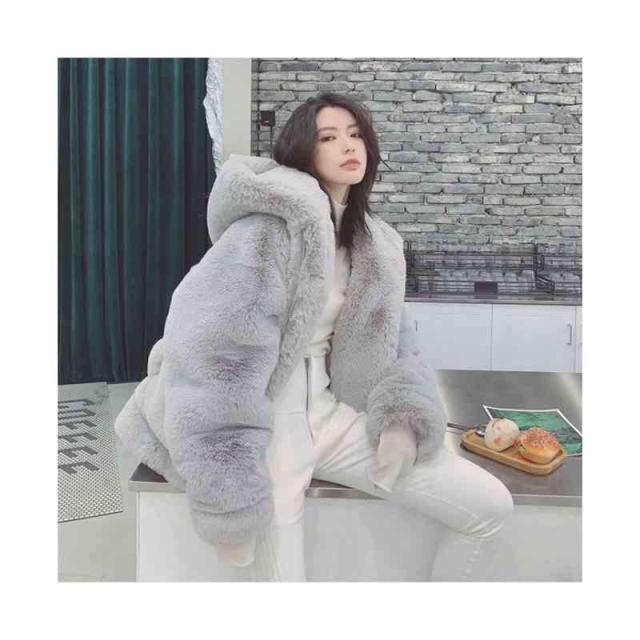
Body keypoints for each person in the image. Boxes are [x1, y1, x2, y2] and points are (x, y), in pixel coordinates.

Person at [114, 92, 514, 581]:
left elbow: (394, 342)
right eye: (329, 137)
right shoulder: (266, 231)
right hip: (264, 429)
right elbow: (211, 349)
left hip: (331, 417)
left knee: (489, 507)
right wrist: (224, 485)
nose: (348, 145)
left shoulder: (374, 244)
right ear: (303, 150)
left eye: (355, 134)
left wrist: (402, 420)